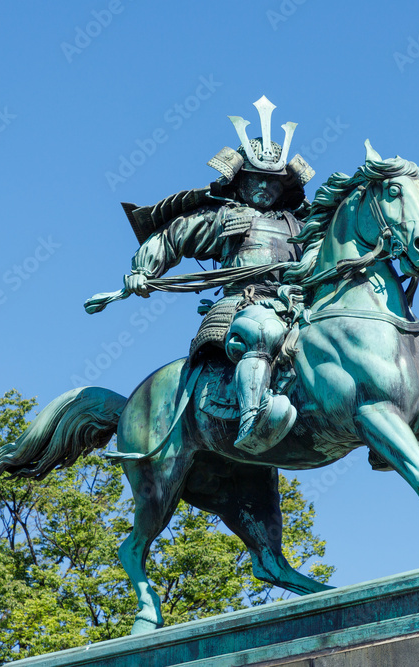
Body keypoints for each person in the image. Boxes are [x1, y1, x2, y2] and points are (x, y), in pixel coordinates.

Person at [119, 96, 314, 454]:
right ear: (239, 182)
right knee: (259, 331)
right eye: (256, 179)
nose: (265, 187)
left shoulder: (300, 225)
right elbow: (172, 237)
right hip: (244, 304)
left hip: (294, 305)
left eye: (273, 182)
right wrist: (143, 270)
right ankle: (252, 419)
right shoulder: (226, 218)